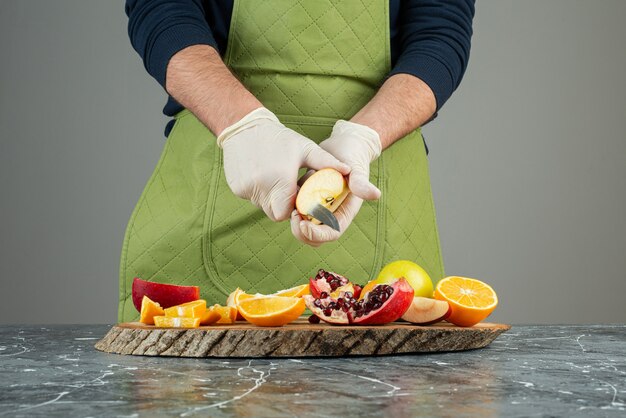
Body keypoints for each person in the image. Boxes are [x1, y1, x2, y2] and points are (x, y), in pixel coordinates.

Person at [119, 0, 475, 321]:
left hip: (376, 189)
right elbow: (162, 7)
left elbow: (439, 32)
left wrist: (365, 137)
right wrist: (242, 126)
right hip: (210, 189)